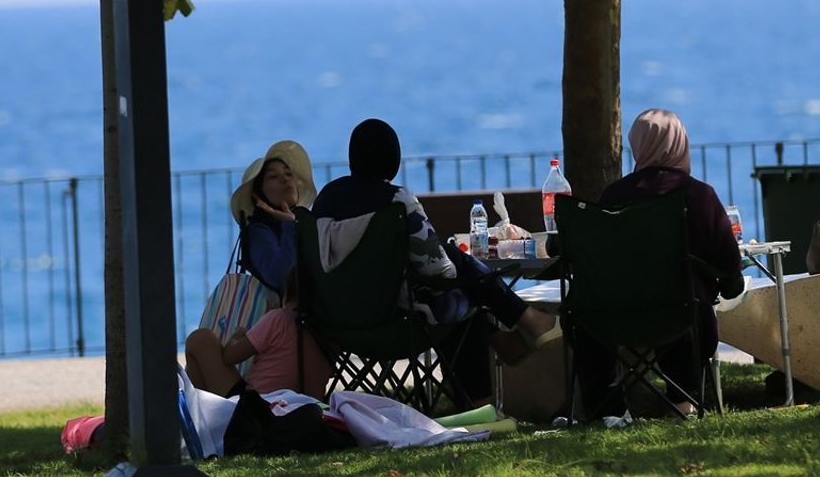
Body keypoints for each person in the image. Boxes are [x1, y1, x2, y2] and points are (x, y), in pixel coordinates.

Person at [310, 118, 560, 404]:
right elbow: (439, 269)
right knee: (463, 290)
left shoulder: (325, 200)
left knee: (460, 288)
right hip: (395, 322)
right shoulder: (397, 201)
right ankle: (498, 367)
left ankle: (512, 335)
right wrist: (455, 258)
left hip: (336, 321)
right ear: (393, 158)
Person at [577, 108, 744, 419]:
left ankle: (607, 409)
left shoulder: (614, 196)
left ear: (638, 146)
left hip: (614, 320)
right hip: (683, 320)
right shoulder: (700, 196)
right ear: (681, 143)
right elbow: (729, 268)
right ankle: (683, 403)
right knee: (683, 296)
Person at [185, 266, 333, 397]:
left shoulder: (279, 318)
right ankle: (199, 414)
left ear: (287, 292)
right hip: (304, 413)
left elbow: (229, 357)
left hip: (258, 413)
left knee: (200, 339)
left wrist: (238, 335)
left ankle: (197, 415)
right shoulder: (330, 336)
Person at [229, 140, 317, 295]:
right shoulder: (258, 231)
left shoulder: (305, 222)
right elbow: (281, 277)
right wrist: (289, 224)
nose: (285, 179)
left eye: (288, 174)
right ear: (257, 195)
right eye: (273, 176)